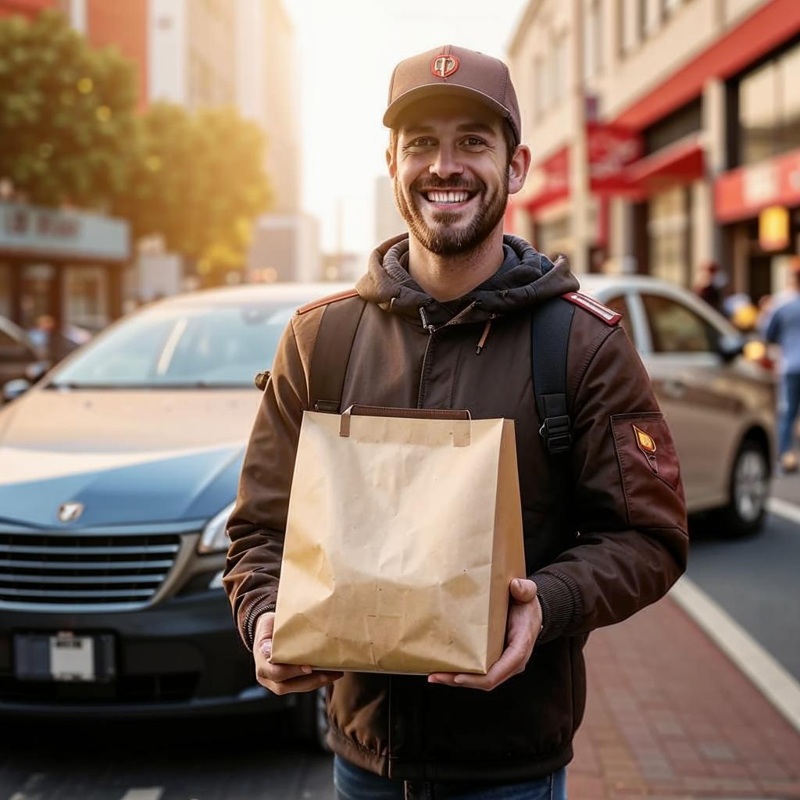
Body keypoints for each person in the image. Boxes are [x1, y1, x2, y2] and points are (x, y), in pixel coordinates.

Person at [223, 44, 688, 799]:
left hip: (511, 767)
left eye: (472, 141)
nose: (445, 165)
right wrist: (265, 617)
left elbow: (649, 537)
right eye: (421, 144)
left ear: (515, 166)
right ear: (393, 164)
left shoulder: (581, 344)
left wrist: (551, 605)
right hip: (360, 760)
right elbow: (258, 530)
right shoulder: (320, 340)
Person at [765, 259, 800, 474]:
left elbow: (768, 334)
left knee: (787, 413)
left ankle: (786, 453)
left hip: (790, 365)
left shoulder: (781, 304)